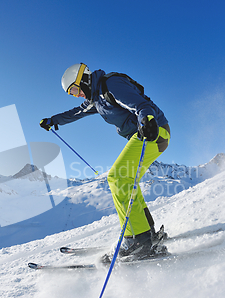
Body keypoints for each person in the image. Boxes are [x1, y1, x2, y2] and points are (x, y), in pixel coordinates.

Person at [40, 63, 170, 261]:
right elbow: (76, 113)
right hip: (145, 134)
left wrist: (147, 119)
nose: (77, 95)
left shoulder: (111, 84)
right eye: (71, 94)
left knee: (117, 178)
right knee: (127, 183)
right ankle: (147, 232)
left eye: (75, 90)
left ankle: (139, 240)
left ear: (83, 79)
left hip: (152, 131)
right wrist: (53, 120)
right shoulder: (96, 98)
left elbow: (141, 104)